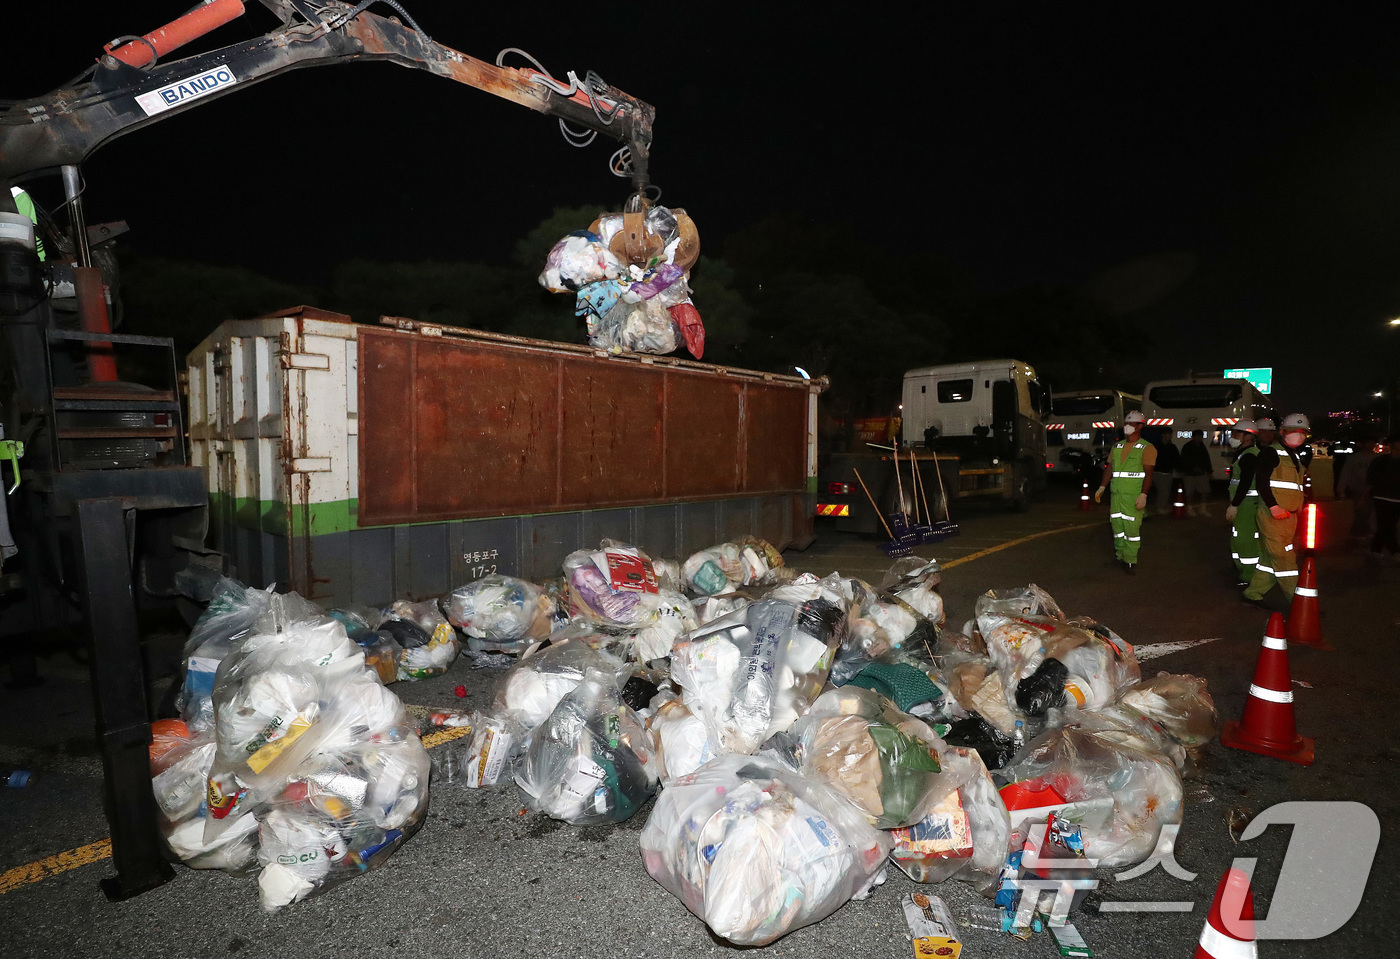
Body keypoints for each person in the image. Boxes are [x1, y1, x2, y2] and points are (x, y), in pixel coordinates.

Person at [1242, 414, 1308, 605]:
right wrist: (1273, 506)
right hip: (1274, 515)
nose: (1299, 435)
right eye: (1294, 431)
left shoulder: (1294, 457)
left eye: (1302, 432)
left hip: (1290, 516)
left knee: (1269, 558)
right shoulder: (1271, 453)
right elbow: (1261, 481)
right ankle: (1299, 602)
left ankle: (1253, 592)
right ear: (1282, 432)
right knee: (1285, 558)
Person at [1095, 410, 1156, 573]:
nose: (1127, 426)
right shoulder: (1117, 446)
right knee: (1117, 527)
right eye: (1126, 424)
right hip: (1116, 495)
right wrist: (1102, 487)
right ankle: (1120, 555)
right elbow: (1110, 469)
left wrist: (1144, 494)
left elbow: (1149, 473)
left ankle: (1130, 559)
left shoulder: (1147, 448)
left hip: (1133, 496)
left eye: (1132, 424)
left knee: (1131, 529)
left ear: (1140, 426)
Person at [1223, 419, 1260, 585]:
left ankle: (1250, 577)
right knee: (1238, 539)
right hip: (1243, 503)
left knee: (1245, 541)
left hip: (1246, 504)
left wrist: (1235, 504)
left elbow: (1245, 482)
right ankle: (1243, 572)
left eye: (1236, 432)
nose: (1233, 436)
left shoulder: (1249, 455)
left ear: (1247, 436)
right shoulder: (1243, 453)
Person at [1367, 435, 1400, 563]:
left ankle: (1376, 548)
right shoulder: (1381, 461)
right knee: (1387, 524)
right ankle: (1394, 550)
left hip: (1397, 498)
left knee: (1387, 525)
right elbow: (1371, 479)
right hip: (1382, 497)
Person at [1336, 440, 1377, 543]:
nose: (1371, 445)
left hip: (1373, 490)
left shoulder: (1377, 458)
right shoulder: (1354, 458)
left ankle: (1361, 531)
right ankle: (1361, 532)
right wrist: (1341, 489)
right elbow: (1346, 473)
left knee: (1369, 512)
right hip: (1358, 488)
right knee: (1361, 510)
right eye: (1368, 442)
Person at [1179, 430, 1214, 516]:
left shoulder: (1202, 447)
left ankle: (1203, 509)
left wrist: (1209, 471)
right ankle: (1190, 509)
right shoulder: (1187, 447)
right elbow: (1184, 460)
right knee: (1189, 492)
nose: (1199, 438)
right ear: (1193, 437)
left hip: (1201, 473)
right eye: (1198, 436)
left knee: (1204, 491)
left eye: (1200, 436)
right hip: (1189, 474)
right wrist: (1190, 468)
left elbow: (1207, 460)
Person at [1152, 430, 1181, 515]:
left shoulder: (1172, 447)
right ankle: (1160, 507)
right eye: (1169, 434)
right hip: (1158, 471)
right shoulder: (1156, 446)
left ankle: (1160, 506)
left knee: (1165, 490)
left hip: (1167, 472)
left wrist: (1178, 469)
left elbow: (1176, 459)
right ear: (1163, 435)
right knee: (1163, 490)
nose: (1170, 436)